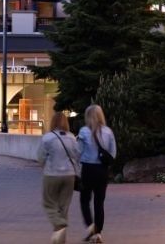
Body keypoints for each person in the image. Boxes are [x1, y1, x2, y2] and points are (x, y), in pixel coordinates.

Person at [37, 112, 80, 244]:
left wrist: (44, 165)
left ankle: (60, 224)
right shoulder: (72, 137)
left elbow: (41, 157)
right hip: (69, 175)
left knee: (48, 203)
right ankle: (61, 238)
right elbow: (77, 155)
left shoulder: (47, 138)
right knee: (63, 206)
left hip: (52, 174)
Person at [77, 105, 117, 243]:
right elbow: (113, 153)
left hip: (88, 169)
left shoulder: (83, 131)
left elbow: (78, 151)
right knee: (99, 203)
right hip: (102, 170)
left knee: (84, 200)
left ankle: (91, 228)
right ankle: (98, 233)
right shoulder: (108, 132)